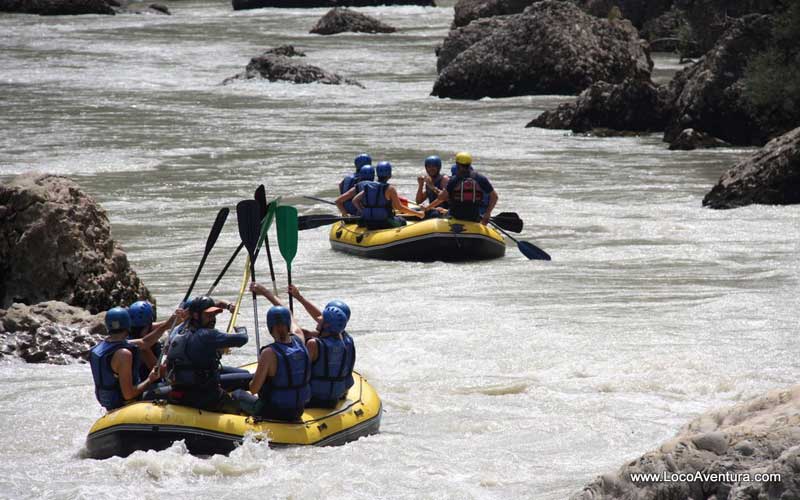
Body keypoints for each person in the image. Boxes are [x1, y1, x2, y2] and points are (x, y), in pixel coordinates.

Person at [235, 283, 310, 421]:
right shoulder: (300, 340)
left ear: (270, 326)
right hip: (297, 410)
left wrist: (248, 382)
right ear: (288, 324)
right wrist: (265, 292)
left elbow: (254, 389)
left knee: (237, 394)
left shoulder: (269, 353)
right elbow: (288, 313)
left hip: (273, 411)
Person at [164, 295, 247, 413]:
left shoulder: (180, 333)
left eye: (214, 315)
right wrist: (241, 330)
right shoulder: (206, 335)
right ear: (196, 315)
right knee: (242, 393)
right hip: (204, 396)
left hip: (183, 390)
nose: (213, 319)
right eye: (208, 315)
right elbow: (242, 339)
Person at [286, 285, 356, 400]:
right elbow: (319, 326)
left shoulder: (320, 343)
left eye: (324, 316)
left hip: (320, 393)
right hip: (338, 389)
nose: (319, 318)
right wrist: (299, 298)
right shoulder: (342, 339)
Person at [90, 307, 160, 412]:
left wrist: (170, 323)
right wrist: (150, 380)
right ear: (128, 325)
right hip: (123, 404)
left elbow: (143, 342)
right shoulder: (124, 354)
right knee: (164, 389)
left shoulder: (97, 349)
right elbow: (128, 395)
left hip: (107, 402)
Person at [426, 152, 498, 225]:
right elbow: (494, 197)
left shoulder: (454, 180)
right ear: (470, 164)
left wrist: (432, 187)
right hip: (474, 217)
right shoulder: (480, 178)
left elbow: (441, 197)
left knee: (434, 214)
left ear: (457, 164)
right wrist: (488, 213)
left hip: (455, 217)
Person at [352, 161, 424, 229]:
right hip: (384, 222)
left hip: (369, 222)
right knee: (402, 221)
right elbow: (399, 207)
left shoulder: (368, 187)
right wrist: (418, 213)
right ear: (389, 175)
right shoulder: (390, 188)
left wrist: (363, 211)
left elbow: (355, 200)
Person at [127, 300, 177, 381]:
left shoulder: (131, 331)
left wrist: (176, 320)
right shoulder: (142, 347)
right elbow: (160, 373)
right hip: (145, 386)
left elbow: (162, 325)